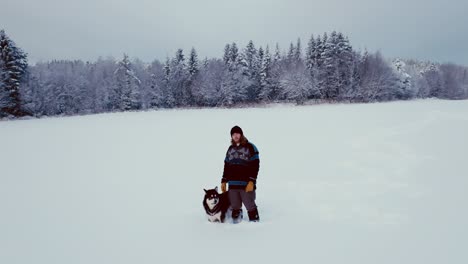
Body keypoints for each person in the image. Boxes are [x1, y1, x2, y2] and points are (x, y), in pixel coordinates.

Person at [221, 125, 260, 222]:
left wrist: (252, 181)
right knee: (235, 206)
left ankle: (255, 224)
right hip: (233, 184)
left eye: (237, 133)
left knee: (250, 205)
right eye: (233, 134)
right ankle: (236, 226)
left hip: (246, 184)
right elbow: (227, 166)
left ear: (241, 134)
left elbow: (255, 166)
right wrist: (224, 180)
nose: (235, 136)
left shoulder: (250, 147)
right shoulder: (230, 149)